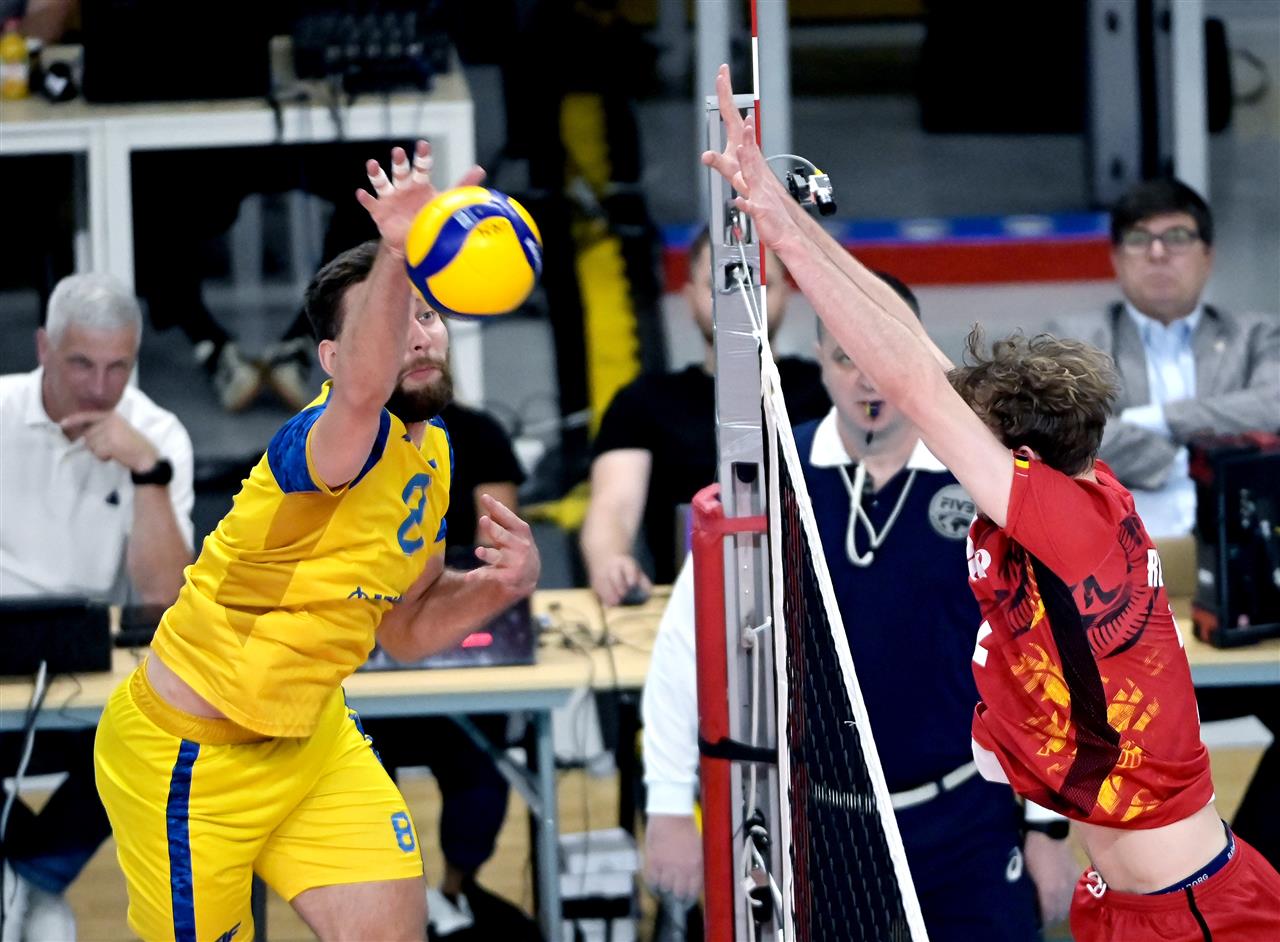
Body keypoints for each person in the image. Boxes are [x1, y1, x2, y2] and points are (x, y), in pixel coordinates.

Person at [703, 65, 1280, 941]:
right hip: (1124, 898)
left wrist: (782, 230)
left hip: (1198, 911)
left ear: (1015, 457)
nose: (952, 434)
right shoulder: (1087, 484)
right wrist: (794, 223)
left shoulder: (1063, 523)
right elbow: (912, 345)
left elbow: (910, 379)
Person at [92, 141, 541, 942]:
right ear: (332, 359)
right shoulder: (326, 438)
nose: (418, 336)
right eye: (398, 321)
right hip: (190, 755)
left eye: (428, 316)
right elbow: (363, 393)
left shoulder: (435, 454)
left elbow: (405, 630)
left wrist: (497, 587)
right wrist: (397, 254)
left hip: (311, 738)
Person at [642, 278, 1078, 941]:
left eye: (883, 357)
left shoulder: (985, 476)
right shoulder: (771, 477)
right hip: (819, 825)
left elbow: (1045, 654)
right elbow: (688, 643)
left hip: (968, 813)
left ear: (922, 359)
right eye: (846, 358)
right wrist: (670, 804)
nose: (867, 380)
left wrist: (1049, 825)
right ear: (818, 360)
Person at [0, 273, 194, 941]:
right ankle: (26, 888)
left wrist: (146, 473)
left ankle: (30, 880)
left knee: (163, 734)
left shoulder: (158, 434)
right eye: (82, 363)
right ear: (43, 348)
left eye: (119, 367)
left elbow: (164, 599)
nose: (100, 387)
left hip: (87, 673)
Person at [358, 393, 539, 939]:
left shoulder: (479, 434)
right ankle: (393, 907)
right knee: (358, 789)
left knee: (481, 770)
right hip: (365, 630)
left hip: (453, 628)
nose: (421, 349)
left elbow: (495, 546)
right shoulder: (344, 435)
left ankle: (454, 894)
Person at [581, 226, 829, 605]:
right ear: (690, 296)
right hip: (688, 606)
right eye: (721, 285)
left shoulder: (828, 392)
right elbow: (614, 505)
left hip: (815, 605)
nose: (741, 299)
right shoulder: (643, 402)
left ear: (786, 293)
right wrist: (611, 561)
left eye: (758, 284)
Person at [1048, 177, 1280, 539]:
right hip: (1115, 545)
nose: (1157, 253)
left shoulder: (1256, 336)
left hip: (1240, 540)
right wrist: (1185, 462)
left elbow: (1273, 405)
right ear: (1116, 259)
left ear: (1208, 256)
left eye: (1177, 237)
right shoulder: (1074, 340)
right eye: (1139, 239)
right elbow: (1062, 432)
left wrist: (1159, 419)